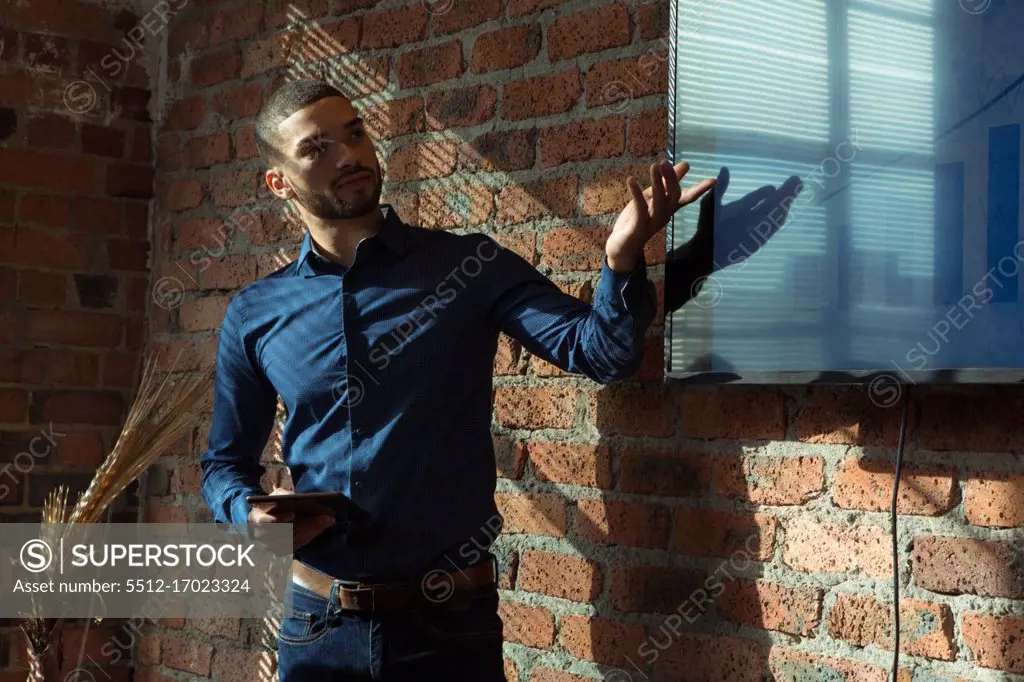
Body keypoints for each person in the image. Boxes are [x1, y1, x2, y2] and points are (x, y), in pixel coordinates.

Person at [199, 79, 715, 681]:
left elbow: (600, 352)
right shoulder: (256, 313)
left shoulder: (468, 266)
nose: (349, 157)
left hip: (449, 629)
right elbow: (224, 464)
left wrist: (622, 259)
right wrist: (248, 515)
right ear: (279, 181)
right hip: (317, 631)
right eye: (316, 149)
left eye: (355, 134)